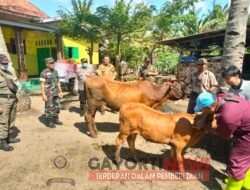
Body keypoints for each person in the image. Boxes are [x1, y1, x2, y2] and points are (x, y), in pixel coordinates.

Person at [194, 92, 250, 190]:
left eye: (202, 109)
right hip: (246, 121)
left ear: (211, 107)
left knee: (237, 161)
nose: (202, 111)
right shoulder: (220, 96)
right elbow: (211, 111)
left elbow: (224, 135)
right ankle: (246, 184)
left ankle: (234, 186)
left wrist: (205, 127)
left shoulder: (228, 117)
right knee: (247, 159)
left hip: (247, 135)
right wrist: (204, 118)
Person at [0, 53, 20, 151]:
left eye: (6, 62)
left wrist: (15, 98)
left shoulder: (8, 73)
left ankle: (9, 137)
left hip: (12, 98)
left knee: (11, 119)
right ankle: (2, 141)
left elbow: (14, 86)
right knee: (3, 121)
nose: (5, 64)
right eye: (3, 63)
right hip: (3, 100)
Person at [40, 57, 63, 128]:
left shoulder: (56, 71)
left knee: (57, 106)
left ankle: (56, 118)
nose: (53, 64)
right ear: (47, 64)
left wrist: (60, 91)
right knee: (49, 107)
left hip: (56, 92)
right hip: (49, 93)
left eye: (53, 63)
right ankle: (49, 121)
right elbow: (42, 84)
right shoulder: (43, 72)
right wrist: (43, 94)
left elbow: (58, 82)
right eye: (51, 63)